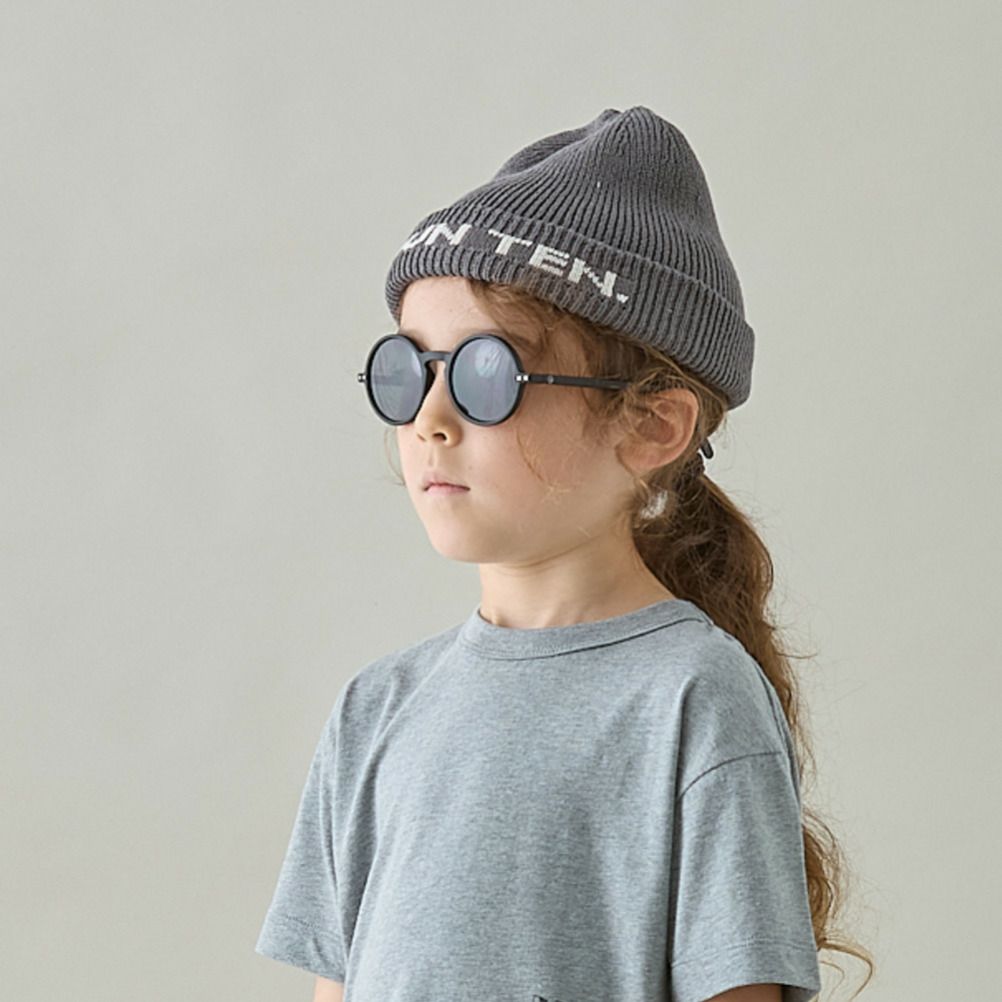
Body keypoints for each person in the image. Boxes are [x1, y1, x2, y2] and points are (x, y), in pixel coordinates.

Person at [254, 106, 873, 1002]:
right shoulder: (375, 710)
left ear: (653, 425)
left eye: (487, 374)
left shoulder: (693, 700)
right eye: (409, 370)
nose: (430, 420)